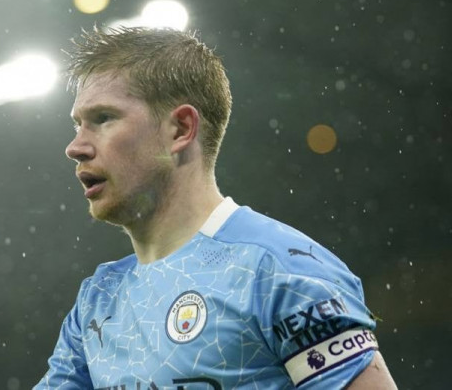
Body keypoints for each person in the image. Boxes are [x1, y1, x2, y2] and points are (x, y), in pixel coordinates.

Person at [34, 27, 397, 389]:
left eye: (102, 119)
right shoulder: (98, 299)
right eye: (78, 125)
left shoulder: (282, 271)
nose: (75, 147)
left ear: (181, 129)